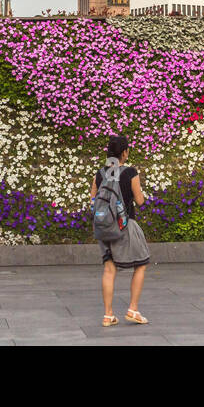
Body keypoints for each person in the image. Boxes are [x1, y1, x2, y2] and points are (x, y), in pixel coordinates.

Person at [91, 134, 150, 326]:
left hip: (104, 227)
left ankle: (108, 315)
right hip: (125, 226)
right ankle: (133, 309)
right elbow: (139, 201)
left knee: (109, 269)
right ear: (125, 152)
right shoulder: (130, 172)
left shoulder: (99, 173)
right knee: (141, 263)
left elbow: (93, 200)